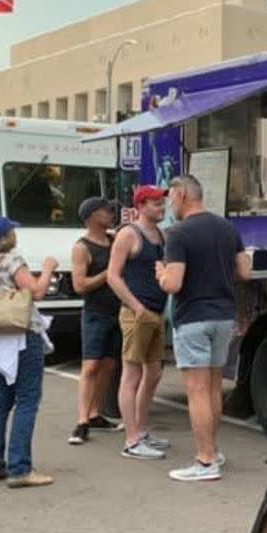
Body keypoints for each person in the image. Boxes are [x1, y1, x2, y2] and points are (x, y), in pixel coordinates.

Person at [157, 174, 251, 482]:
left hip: (193, 318)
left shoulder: (178, 234)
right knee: (212, 387)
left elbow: (174, 283)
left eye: (171, 195)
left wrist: (160, 274)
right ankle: (214, 450)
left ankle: (205, 459)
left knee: (196, 390)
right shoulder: (227, 227)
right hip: (224, 316)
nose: (169, 202)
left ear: (183, 194)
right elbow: (245, 272)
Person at [0, 216, 58, 488]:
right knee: (28, 398)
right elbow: (37, 292)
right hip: (20, 334)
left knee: (0, 399)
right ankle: (20, 467)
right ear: (7, 238)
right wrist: (49, 269)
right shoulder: (12, 261)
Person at [107, 185, 170, 460]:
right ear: (141, 205)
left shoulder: (161, 235)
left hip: (157, 312)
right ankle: (131, 440)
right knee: (131, 375)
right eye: (156, 203)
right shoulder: (128, 234)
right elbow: (113, 275)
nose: (161, 208)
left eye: (162, 203)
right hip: (137, 314)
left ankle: (142, 431)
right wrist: (136, 307)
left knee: (153, 374)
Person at [68, 197, 121, 445]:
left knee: (109, 365)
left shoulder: (114, 241)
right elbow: (80, 285)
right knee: (91, 366)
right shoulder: (82, 247)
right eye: (105, 211)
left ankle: (96, 413)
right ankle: (81, 421)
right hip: (95, 312)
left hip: (116, 311)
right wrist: (108, 273)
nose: (110, 213)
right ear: (91, 217)